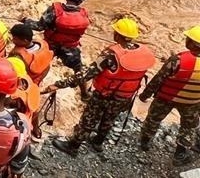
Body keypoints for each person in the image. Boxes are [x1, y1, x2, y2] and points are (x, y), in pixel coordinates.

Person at [43, 18, 155, 155]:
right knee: (109, 118)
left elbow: (86, 74)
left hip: (104, 94)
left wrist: (59, 84)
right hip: (124, 96)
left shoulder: (111, 55)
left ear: (117, 35)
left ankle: (73, 146)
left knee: (89, 119)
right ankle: (98, 142)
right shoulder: (143, 53)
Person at [138, 25, 200, 165]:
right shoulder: (176, 59)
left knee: (153, 120)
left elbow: (158, 79)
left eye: (188, 39)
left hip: (166, 98)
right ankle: (180, 154)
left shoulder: (177, 60)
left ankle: (145, 142)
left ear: (193, 44)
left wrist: (145, 95)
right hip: (192, 102)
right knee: (188, 127)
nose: (186, 40)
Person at [23, 0, 91, 98]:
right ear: (81, 1)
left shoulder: (55, 9)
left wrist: (25, 21)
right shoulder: (84, 13)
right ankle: (85, 93)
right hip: (70, 47)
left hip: (51, 44)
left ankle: (31, 88)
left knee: (42, 64)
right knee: (79, 70)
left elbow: (39, 26)